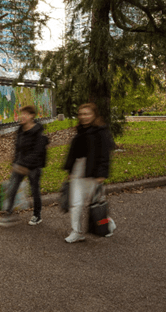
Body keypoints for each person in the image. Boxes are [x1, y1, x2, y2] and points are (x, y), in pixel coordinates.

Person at [63, 103, 114, 243]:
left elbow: (105, 155)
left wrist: (102, 174)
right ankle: (76, 231)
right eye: (81, 114)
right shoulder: (80, 130)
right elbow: (73, 152)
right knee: (76, 202)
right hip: (78, 170)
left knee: (95, 203)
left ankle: (107, 223)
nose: (84, 117)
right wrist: (69, 169)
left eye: (87, 114)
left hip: (93, 171)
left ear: (94, 115)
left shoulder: (101, 131)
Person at [0, 105, 48, 227]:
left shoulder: (38, 131)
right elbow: (17, 149)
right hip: (20, 165)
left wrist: (25, 165)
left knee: (35, 191)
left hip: (34, 166)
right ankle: (8, 215)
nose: (22, 116)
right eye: (21, 114)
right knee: (12, 189)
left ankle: (37, 216)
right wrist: (15, 163)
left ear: (32, 116)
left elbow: (37, 152)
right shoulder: (20, 130)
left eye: (26, 114)